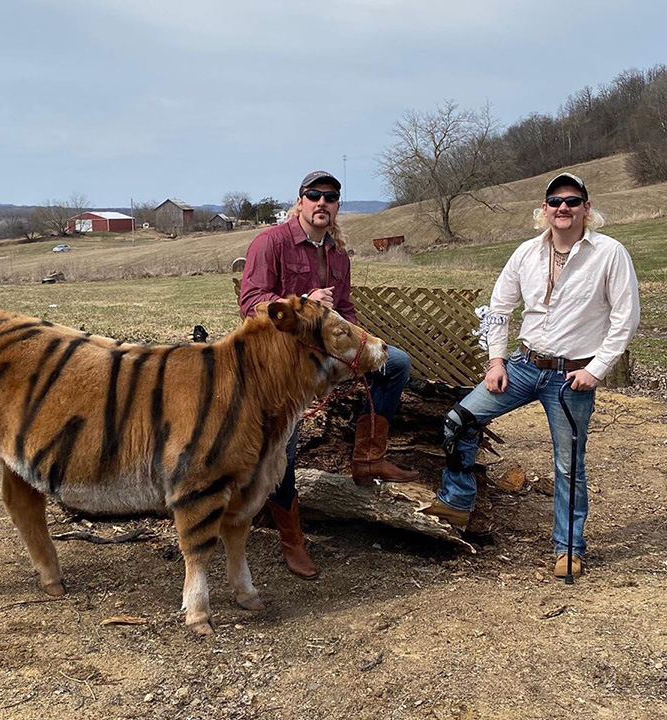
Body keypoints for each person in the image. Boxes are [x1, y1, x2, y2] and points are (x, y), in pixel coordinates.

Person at [424, 172, 640, 578]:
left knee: (568, 464)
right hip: (524, 366)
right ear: (544, 210)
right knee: (460, 420)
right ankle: (457, 501)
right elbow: (498, 308)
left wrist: (596, 370)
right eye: (555, 201)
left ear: (586, 209)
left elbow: (625, 319)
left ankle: (569, 547)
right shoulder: (526, 253)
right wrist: (496, 361)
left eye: (572, 201)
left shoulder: (610, 253)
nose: (563, 207)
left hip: (572, 376)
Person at [239, 170, 419, 579]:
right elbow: (251, 303)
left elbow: (346, 311)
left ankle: (367, 459)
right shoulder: (271, 242)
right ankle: (291, 538)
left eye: (331, 197)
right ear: (300, 201)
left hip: (326, 355)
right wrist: (302, 302)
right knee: (284, 448)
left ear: (337, 205)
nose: (322, 202)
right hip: (282, 363)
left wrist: (363, 343)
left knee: (397, 364)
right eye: (314, 195)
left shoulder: (337, 252)